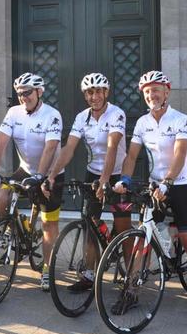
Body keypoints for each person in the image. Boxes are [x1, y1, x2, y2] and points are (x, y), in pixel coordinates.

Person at [112, 70, 187, 320]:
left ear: (167, 92)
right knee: (142, 237)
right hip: (155, 184)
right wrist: (124, 179)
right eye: (147, 92)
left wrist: (168, 181)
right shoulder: (143, 123)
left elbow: (180, 154)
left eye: (156, 90)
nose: (151, 95)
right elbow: (132, 156)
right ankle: (131, 292)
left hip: (179, 182)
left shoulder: (180, 119)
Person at [42, 72, 129, 292]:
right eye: (90, 92)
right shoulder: (83, 117)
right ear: (85, 95)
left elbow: (111, 148)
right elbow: (69, 148)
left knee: (122, 226)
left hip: (116, 175)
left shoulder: (116, 114)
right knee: (90, 224)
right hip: (93, 174)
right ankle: (89, 274)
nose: (94, 96)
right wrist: (52, 175)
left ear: (106, 93)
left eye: (98, 91)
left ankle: (131, 275)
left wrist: (106, 181)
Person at [0, 72, 63, 291]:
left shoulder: (52, 115)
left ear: (39, 92)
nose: (23, 97)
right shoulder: (14, 113)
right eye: (20, 93)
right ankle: (17, 227)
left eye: (27, 92)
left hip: (50, 173)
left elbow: (50, 148)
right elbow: (0, 142)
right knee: (2, 199)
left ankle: (47, 269)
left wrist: (40, 177)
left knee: (49, 224)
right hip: (25, 168)